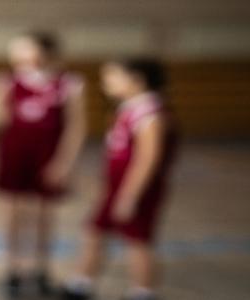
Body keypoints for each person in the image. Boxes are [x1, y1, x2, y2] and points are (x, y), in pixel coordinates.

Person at [0, 30, 87, 296]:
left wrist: (64, 162)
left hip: (48, 155)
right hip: (14, 154)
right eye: (18, 51)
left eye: (26, 50)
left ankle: (41, 268)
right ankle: (13, 269)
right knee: (11, 211)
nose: (20, 56)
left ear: (46, 52)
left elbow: (75, 127)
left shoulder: (68, 83)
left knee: (44, 214)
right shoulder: (5, 81)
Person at [61, 58, 177, 300]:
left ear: (137, 80)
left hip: (137, 190)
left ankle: (143, 292)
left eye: (113, 77)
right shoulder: (128, 108)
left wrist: (130, 195)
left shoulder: (151, 114)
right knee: (94, 231)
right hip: (116, 188)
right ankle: (81, 282)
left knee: (138, 241)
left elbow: (148, 158)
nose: (106, 82)